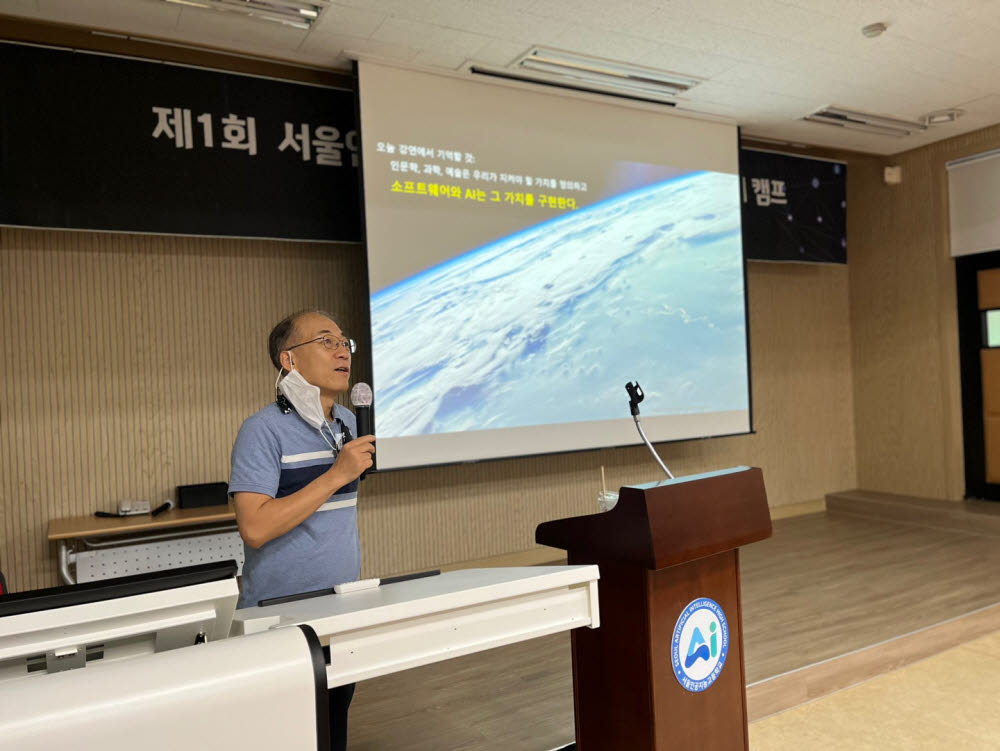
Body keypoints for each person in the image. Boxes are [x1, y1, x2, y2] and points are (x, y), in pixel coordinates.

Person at [228, 309, 375, 751]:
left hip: (340, 608)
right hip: (279, 618)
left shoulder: (348, 424)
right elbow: (254, 528)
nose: (341, 351)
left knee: (333, 727)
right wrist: (335, 474)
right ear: (288, 361)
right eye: (325, 341)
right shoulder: (262, 431)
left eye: (344, 342)